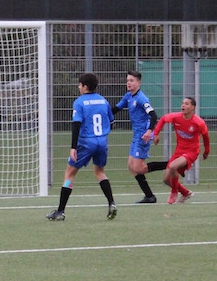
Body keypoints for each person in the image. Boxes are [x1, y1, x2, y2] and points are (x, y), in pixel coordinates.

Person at [46, 73, 118, 221]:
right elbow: (111, 122)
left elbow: (76, 124)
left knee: (69, 175)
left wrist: (73, 147)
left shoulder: (79, 102)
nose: (78, 87)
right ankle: (112, 203)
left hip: (86, 142)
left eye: (80, 85)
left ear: (85, 86)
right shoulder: (103, 101)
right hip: (102, 141)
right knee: (99, 172)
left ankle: (60, 211)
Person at [149, 97, 210, 204]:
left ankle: (174, 192)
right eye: (182, 103)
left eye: (186, 104)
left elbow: (206, 137)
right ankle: (186, 193)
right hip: (179, 151)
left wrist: (206, 151)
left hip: (191, 152)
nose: (183, 105)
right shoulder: (176, 117)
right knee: (166, 180)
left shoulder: (199, 122)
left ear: (193, 107)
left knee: (173, 166)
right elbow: (163, 119)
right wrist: (156, 134)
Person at [112, 70, 159, 203]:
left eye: (132, 81)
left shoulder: (141, 98)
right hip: (136, 135)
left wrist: (149, 131)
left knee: (138, 168)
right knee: (131, 167)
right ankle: (149, 196)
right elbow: (115, 109)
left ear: (138, 83)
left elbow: (153, 115)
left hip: (143, 136)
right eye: (128, 80)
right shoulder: (128, 96)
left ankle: (169, 164)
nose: (129, 83)